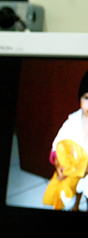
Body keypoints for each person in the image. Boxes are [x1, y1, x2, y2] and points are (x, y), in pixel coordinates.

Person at [44, 71, 88, 211]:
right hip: (73, 172)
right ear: (80, 99)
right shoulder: (72, 122)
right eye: (87, 98)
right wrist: (58, 161)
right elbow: (59, 141)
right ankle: (75, 207)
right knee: (73, 196)